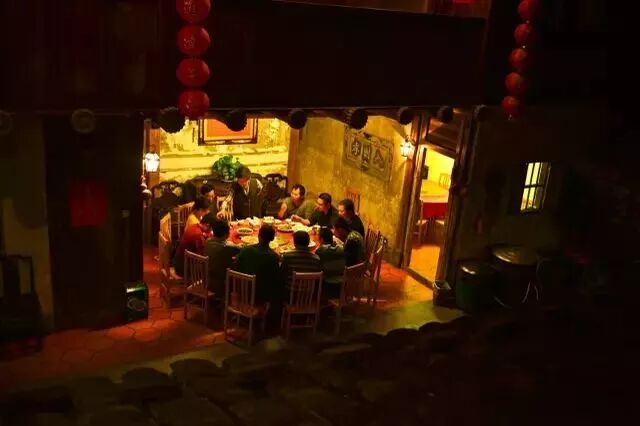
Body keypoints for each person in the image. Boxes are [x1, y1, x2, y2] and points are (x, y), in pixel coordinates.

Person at [236, 224, 281, 305]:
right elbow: (276, 279)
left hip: (243, 292)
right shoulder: (274, 257)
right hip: (262, 298)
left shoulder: (246, 250)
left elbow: (237, 263)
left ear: (258, 236)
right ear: (272, 239)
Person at [203, 219, 241, 298]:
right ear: (225, 234)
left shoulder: (207, 242)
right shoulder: (227, 248)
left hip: (206, 280)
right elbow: (242, 249)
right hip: (220, 284)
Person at [315, 227, 346, 298]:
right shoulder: (341, 249)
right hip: (341, 281)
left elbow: (316, 266)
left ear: (322, 239)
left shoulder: (321, 250)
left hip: (326, 282)